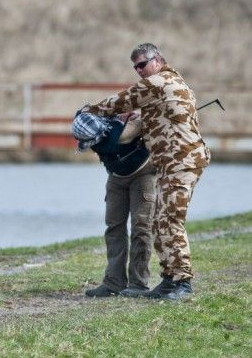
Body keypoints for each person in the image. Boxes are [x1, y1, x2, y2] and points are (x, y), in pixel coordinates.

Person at [83, 43, 210, 300]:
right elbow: (145, 110)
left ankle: (182, 283)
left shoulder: (159, 82)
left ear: (158, 60)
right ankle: (168, 280)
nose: (139, 70)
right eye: (135, 67)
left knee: (170, 221)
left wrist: (90, 111)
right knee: (162, 221)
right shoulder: (168, 85)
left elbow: (123, 99)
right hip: (170, 163)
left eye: (142, 64)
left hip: (181, 162)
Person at [72, 111, 156, 298]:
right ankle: (113, 283)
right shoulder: (102, 126)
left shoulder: (117, 131)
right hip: (116, 178)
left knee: (141, 228)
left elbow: (114, 140)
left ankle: (138, 284)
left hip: (143, 174)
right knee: (114, 228)